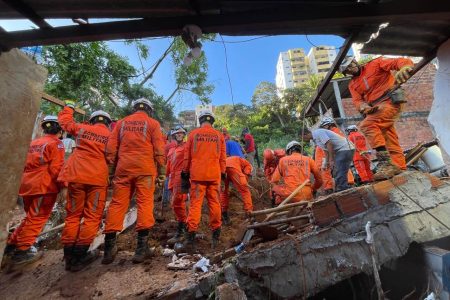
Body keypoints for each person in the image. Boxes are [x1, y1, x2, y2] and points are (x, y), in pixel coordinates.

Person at [102, 98, 166, 264]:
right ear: (149, 110)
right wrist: (161, 172)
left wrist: (110, 171)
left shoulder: (121, 123)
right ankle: (141, 249)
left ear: (134, 108)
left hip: (123, 169)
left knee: (117, 204)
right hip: (145, 170)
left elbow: (111, 148)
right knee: (145, 203)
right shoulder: (153, 124)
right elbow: (159, 150)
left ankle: (109, 250)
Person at [57, 101, 111, 272]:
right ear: (108, 123)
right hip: (97, 178)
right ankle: (80, 256)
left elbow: (65, 123)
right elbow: (113, 157)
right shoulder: (110, 136)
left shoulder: (82, 129)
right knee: (92, 217)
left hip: (76, 176)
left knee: (73, 216)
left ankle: (69, 256)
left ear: (92, 120)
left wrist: (69, 107)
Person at [340, 56, 414, 180]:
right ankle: (399, 168)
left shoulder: (375, 63)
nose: (350, 69)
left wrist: (405, 67)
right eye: (347, 70)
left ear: (355, 61)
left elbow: (397, 62)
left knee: (367, 125)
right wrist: (364, 107)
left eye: (350, 65)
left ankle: (385, 162)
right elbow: (358, 101)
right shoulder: (352, 85)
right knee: (388, 137)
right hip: (376, 108)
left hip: (390, 101)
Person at [4, 116, 64, 266]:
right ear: (60, 129)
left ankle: (12, 244)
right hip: (43, 186)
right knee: (37, 218)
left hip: (27, 185)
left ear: (44, 128)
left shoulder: (33, 143)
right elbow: (56, 169)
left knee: (30, 217)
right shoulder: (56, 144)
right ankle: (23, 251)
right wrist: (64, 186)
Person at [177, 110, 226, 253]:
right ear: (212, 121)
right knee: (215, 204)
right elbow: (223, 157)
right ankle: (216, 238)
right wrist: (222, 173)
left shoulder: (193, 134)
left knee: (195, 206)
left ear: (200, 120)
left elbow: (187, 156)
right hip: (214, 175)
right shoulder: (219, 135)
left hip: (198, 176)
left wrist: (185, 172)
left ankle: (190, 240)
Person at [166, 126, 188, 246]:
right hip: (172, 178)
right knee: (175, 204)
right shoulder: (171, 150)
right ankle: (182, 228)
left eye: (181, 133)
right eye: (177, 134)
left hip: (181, 177)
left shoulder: (186, 147)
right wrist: (163, 176)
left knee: (178, 202)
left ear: (184, 135)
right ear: (174, 136)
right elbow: (168, 165)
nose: (179, 135)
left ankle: (182, 230)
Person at [319, 117, 355, 186]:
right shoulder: (338, 131)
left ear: (328, 125)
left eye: (324, 126)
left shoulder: (331, 133)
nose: (323, 128)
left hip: (341, 153)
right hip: (346, 152)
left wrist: (327, 159)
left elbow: (330, 146)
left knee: (340, 169)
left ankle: (344, 185)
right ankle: (349, 182)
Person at [220, 156, 253, 225]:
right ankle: (249, 212)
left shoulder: (236, 160)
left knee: (224, 192)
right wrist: (245, 180)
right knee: (245, 191)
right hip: (232, 168)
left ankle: (224, 213)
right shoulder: (248, 165)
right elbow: (245, 175)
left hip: (222, 169)